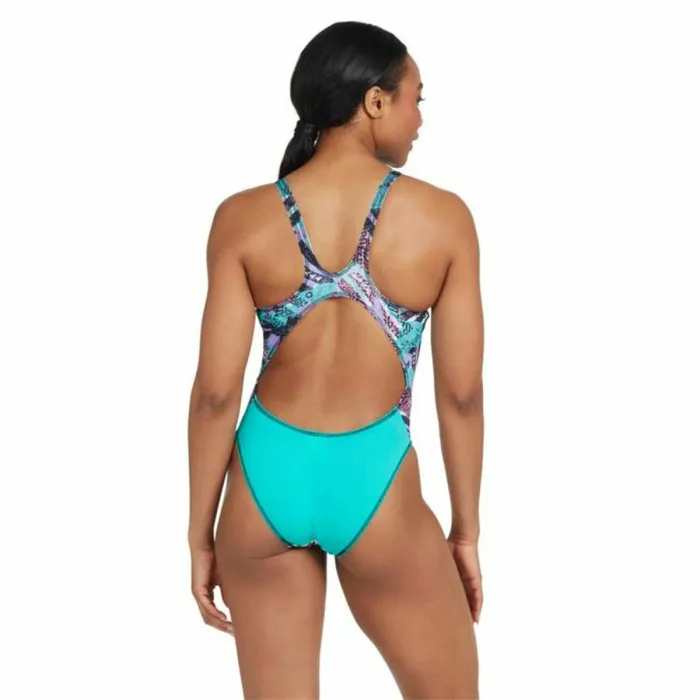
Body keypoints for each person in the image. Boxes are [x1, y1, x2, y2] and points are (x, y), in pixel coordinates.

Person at [187, 20, 484, 699]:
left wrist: (202, 533)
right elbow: (461, 397)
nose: (420, 120)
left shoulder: (242, 217)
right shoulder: (444, 219)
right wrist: (465, 530)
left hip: (263, 482)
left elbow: (214, 396)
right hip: (375, 483)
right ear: (374, 101)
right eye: (415, 98)